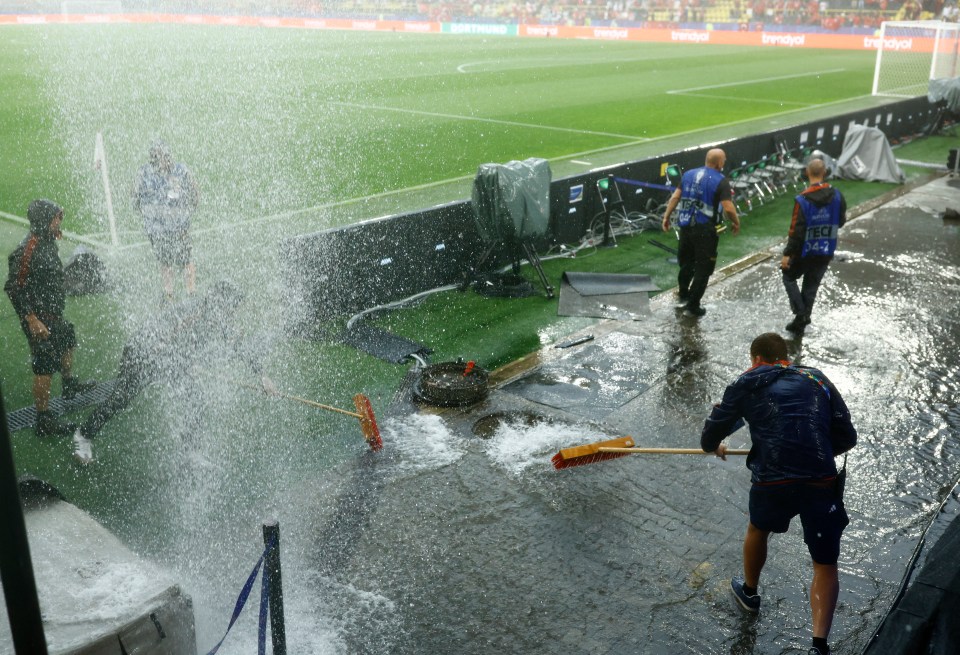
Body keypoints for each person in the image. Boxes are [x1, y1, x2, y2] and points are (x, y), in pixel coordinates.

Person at [701, 332, 857, 655]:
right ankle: (819, 646)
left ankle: (750, 592)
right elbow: (847, 434)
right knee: (825, 563)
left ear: (757, 358)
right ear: (784, 356)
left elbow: (709, 436)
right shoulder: (817, 378)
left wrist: (716, 445)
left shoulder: (747, 382)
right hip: (820, 479)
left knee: (758, 528)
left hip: (773, 480)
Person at [71, 280, 275, 464]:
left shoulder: (219, 319)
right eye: (232, 307)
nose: (233, 313)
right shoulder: (193, 313)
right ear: (219, 302)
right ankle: (83, 435)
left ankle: (190, 452)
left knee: (195, 399)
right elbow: (163, 341)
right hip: (141, 352)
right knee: (121, 399)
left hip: (169, 358)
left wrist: (263, 376)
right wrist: (181, 362)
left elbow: (239, 345)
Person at [5, 200, 97, 437]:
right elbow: (14, 287)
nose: (59, 221)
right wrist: (32, 320)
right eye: (56, 217)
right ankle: (43, 421)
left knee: (67, 337)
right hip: (38, 319)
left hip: (53, 315)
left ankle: (68, 385)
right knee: (44, 361)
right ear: (44, 220)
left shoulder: (47, 241)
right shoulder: (28, 249)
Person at [661, 148, 740, 317]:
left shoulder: (688, 174)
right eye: (723, 160)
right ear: (719, 163)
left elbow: (675, 197)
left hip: (685, 227)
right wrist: (736, 222)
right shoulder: (721, 180)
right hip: (705, 231)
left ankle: (683, 293)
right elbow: (728, 207)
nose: (724, 163)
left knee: (687, 263)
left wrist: (666, 217)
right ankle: (693, 306)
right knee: (703, 269)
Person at [781, 158, 846, 335]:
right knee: (811, 286)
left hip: (804, 251)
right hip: (825, 250)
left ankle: (800, 314)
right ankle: (801, 321)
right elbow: (840, 221)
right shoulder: (837, 195)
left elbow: (797, 230)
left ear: (808, 173)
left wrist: (787, 254)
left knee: (788, 277)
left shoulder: (802, 199)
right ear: (824, 172)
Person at [133, 141, 200, 300]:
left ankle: (190, 291)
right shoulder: (146, 173)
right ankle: (169, 293)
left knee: (185, 259)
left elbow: (194, 190)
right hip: (158, 228)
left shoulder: (178, 170)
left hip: (177, 225)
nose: (165, 160)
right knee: (166, 260)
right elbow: (135, 195)